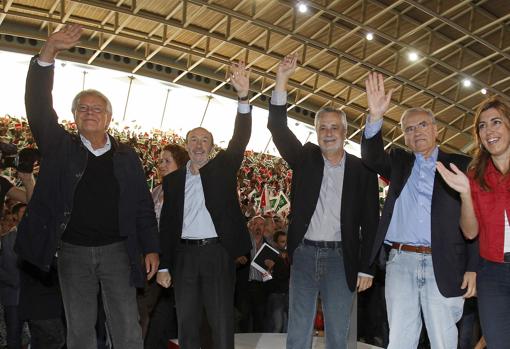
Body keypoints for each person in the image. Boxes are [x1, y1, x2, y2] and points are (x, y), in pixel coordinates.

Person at [16, 24, 160, 349]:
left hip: (118, 253)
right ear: (74, 117)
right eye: (83, 108)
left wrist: (151, 247)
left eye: (97, 109)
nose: (90, 113)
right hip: (72, 252)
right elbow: (37, 107)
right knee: (79, 332)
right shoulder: (60, 147)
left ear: (109, 118)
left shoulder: (127, 157)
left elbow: (142, 207)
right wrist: (48, 52)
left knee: (127, 329)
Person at [267, 53, 379, 349]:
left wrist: (367, 267)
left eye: (334, 128)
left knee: (338, 334)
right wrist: (282, 79)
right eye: (323, 128)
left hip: (342, 258)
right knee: (298, 330)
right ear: (316, 133)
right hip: (304, 255)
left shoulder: (362, 170)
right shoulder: (305, 158)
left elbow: (371, 223)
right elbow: (278, 129)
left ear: (345, 132)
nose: (329, 133)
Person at [361, 72, 478, 349]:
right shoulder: (399, 162)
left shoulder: (460, 165)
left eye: (423, 125)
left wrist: (473, 267)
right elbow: (371, 156)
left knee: (443, 341)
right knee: (400, 339)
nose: (417, 132)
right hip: (401, 262)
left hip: (446, 264)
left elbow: (476, 219)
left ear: (436, 129)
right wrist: (375, 116)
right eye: (409, 129)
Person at [157, 60, 252, 349]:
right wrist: (164, 265)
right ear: (186, 146)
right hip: (184, 256)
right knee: (186, 323)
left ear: (211, 146)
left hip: (217, 254)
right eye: (193, 140)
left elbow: (240, 139)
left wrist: (243, 98)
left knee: (221, 321)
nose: (199, 144)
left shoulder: (222, 168)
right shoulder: (173, 182)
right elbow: (169, 225)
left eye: (204, 140)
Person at [436, 96, 510, 349]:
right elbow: (470, 233)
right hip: (494, 275)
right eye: (482, 125)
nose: (489, 130)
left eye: (496, 122)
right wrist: (466, 194)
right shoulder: (475, 173)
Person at [143, 144, 189, 348]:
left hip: (178, 262)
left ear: (180, 165)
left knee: (174, 316)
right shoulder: (155, 191)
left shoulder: (188, 192)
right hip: (152, 259)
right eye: (160, 160)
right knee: (146, 311)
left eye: (167, 161)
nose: (161, 165)